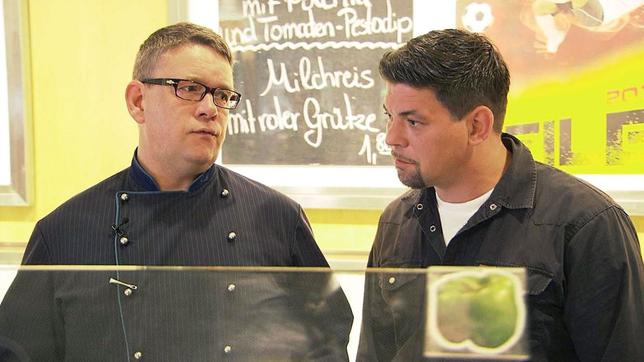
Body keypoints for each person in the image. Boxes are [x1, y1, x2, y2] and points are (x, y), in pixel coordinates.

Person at [0, 22, 352, 361]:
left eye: (223, 95)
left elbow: (326, 344)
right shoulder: (63, 233)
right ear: (138, 101)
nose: (210, 109)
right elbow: (19, 352)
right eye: (189, 88)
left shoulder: (277, 218)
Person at [357, 28, 644, 361]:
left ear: (477, 125)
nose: (392, 138)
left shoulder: (586, 226)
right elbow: (374, 353)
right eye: (389, 117)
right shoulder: (396, 221)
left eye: (413, 122)